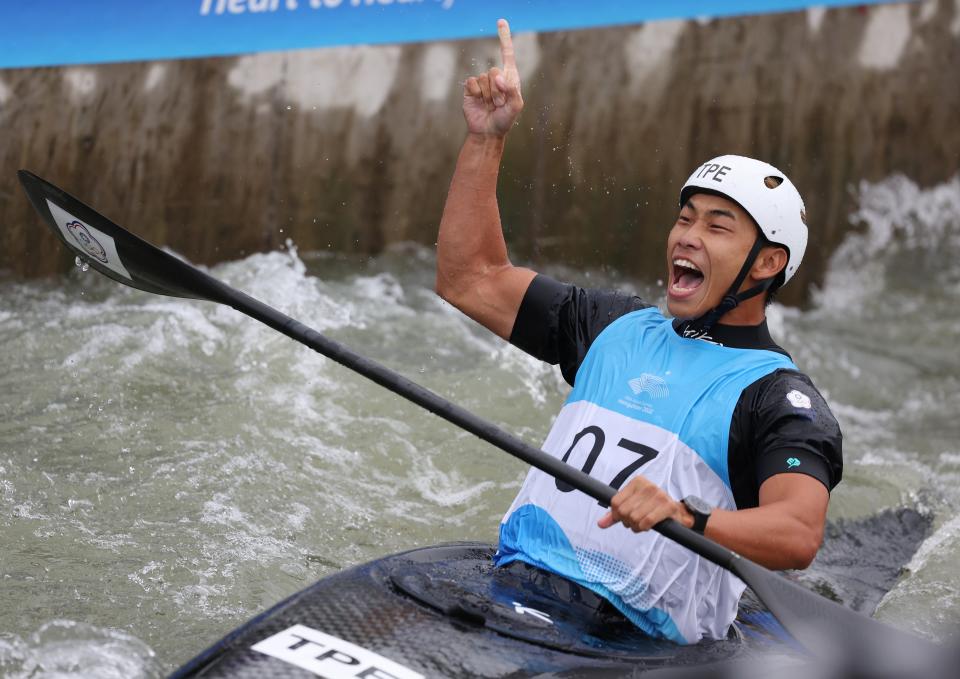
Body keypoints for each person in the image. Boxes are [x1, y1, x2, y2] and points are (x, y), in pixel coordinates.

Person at [435, 19, 842, 645]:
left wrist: (689, 517)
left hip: (634, 643)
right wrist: (486, 140)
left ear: (767, 264)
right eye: (685, 218)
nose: (686, 236)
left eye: (716, 226)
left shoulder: (777, 397)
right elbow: (470, 277)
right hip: (513, 594)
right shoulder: (612, 325)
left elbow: (797, 534)